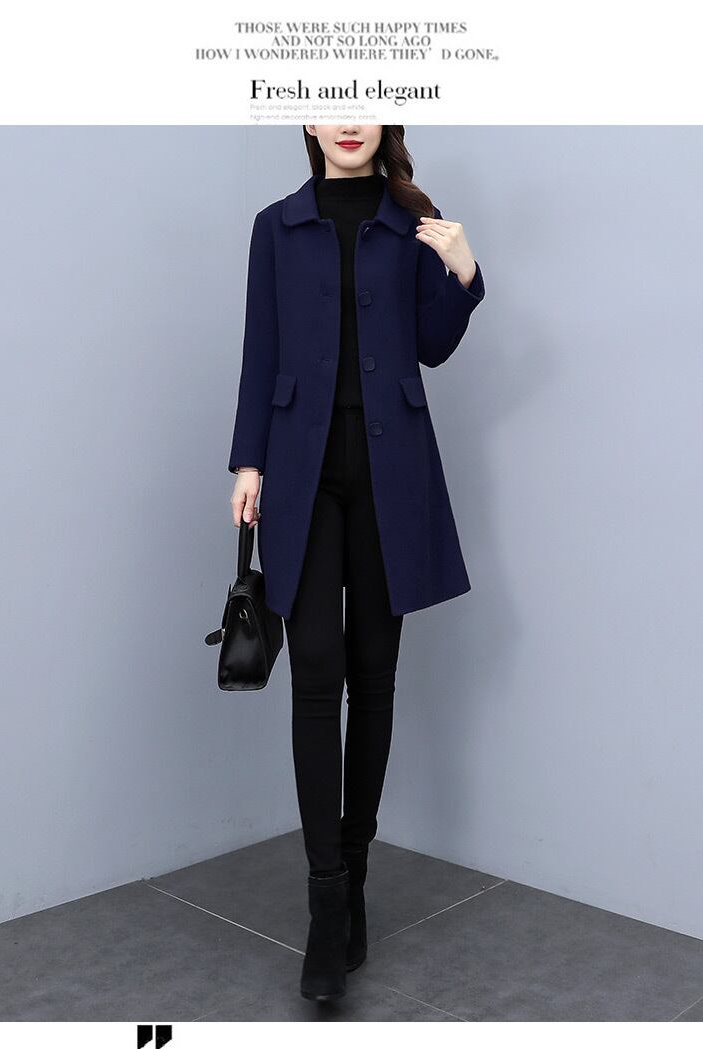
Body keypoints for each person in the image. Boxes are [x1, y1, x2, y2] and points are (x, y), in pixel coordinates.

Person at [228, 124, 486, 1001]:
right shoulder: (275, 225)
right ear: (308, 120)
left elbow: (431, 344)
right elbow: (260, 349)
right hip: (302, 469)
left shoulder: (413, 219)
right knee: (316, 678)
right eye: (329, 98)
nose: (347, 117)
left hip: (391, 469)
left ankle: (356, 878)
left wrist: (463, 272)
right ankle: (326, 903)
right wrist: (248, 462)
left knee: (374, 677)